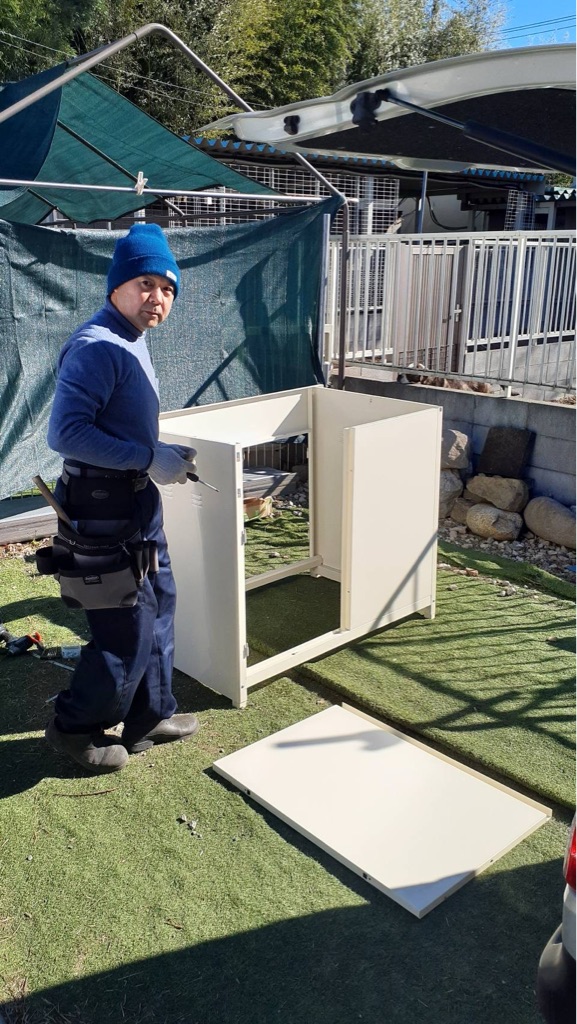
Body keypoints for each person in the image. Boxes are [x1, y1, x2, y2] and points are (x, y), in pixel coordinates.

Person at [45, 223, 199, 774]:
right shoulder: (97, 346)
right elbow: (66, 434)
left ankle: (150, 715)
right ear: (117, 287)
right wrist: (147, 457)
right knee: (125, 626)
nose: (157, 297)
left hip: (135, 502)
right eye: (145, 284)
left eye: (168, 288)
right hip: (100, 504)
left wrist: (155, 452)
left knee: (161, 604)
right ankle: (73, 727)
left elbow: (118, 422)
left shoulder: (131, 338)